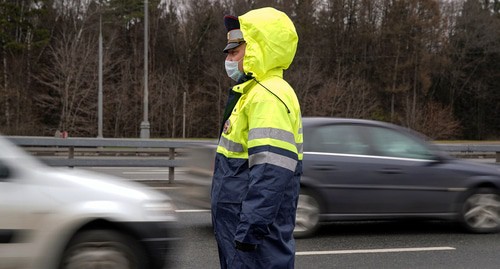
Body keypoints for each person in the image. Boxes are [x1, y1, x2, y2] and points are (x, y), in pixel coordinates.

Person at [211, 7, 303, 269]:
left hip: (254, 242)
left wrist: (248, 233)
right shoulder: (251, 93)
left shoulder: (268, 96)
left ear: (256, 49)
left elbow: (271, 172)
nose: (228, 58)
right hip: (241, 235)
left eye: (234, 51)